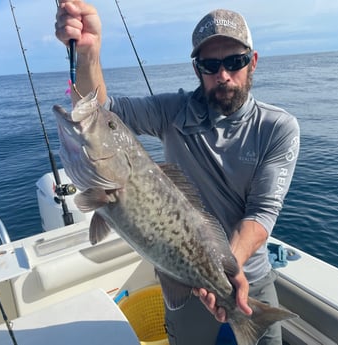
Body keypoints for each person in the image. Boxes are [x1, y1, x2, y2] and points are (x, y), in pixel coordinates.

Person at [55, 2, 300, 344]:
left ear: (252, 61)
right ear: (197, 69)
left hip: (248, 277)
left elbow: (262, 212)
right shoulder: (173, 110)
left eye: (235, 61)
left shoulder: (277, 127)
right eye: (210, 65)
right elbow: (102, 114)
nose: (223, 75)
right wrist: (88, 53)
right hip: (179, 272)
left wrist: (227, 269)